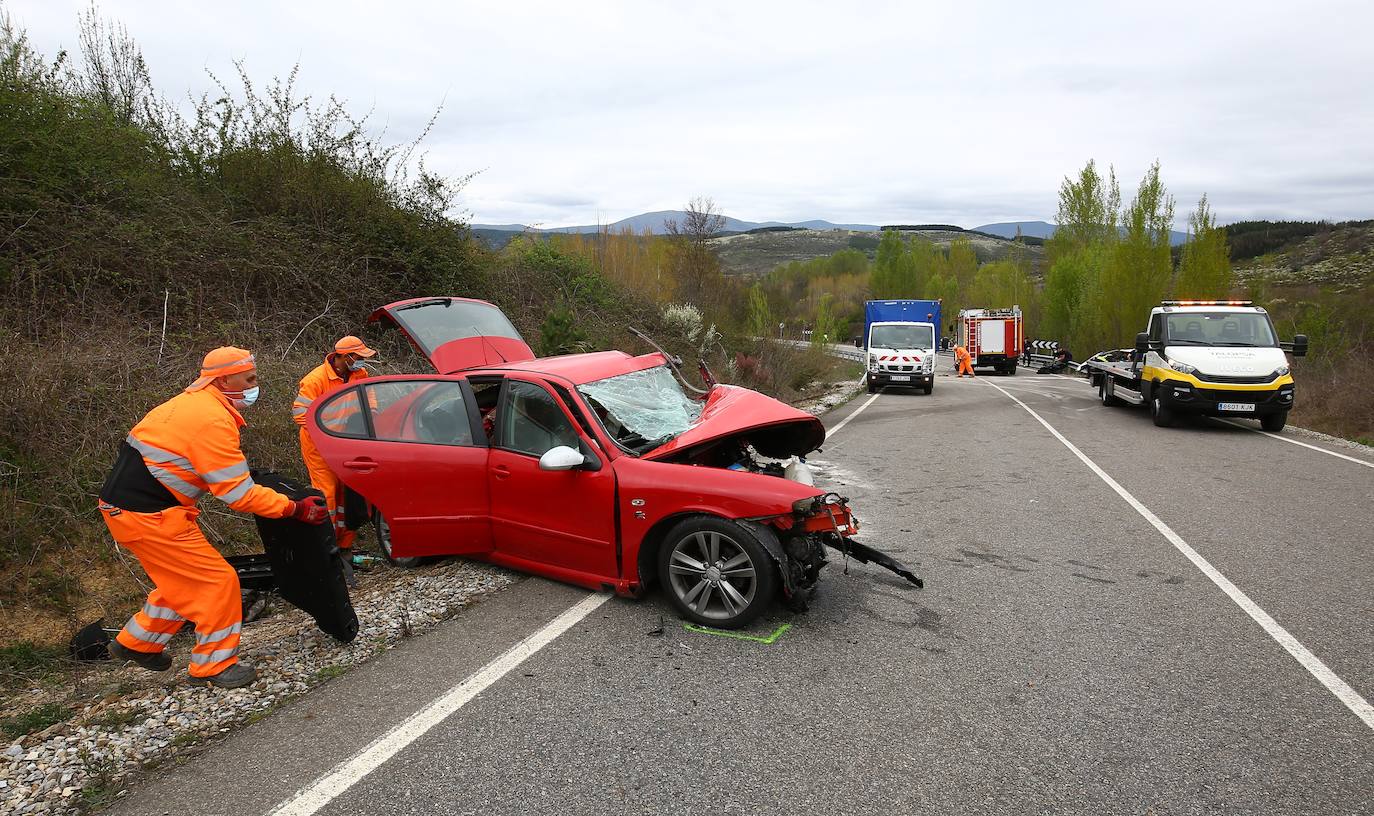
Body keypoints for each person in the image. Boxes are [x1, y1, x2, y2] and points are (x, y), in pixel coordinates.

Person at [98, 347, 329, 689]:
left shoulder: (188, 405)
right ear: (224, 379)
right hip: (151, 516)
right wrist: (295, 508)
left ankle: (137, 644)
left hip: (130, 510)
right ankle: (213, 667)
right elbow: (238, 495)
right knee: (217, 583)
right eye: (249, 379)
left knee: (183, 582)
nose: (255, 385)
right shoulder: (212, 420)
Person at [292, 336, 376, 562]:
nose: (361, 362)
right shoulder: (315, 380)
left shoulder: (360, 375)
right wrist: (328, 428)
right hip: (319, 446)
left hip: (348, 443)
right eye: (358, 357)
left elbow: (371, 406)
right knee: (326, 495)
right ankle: (325, 546)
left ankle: (345, 547)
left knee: (350, 495)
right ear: (343, 356)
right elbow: (300, 414)